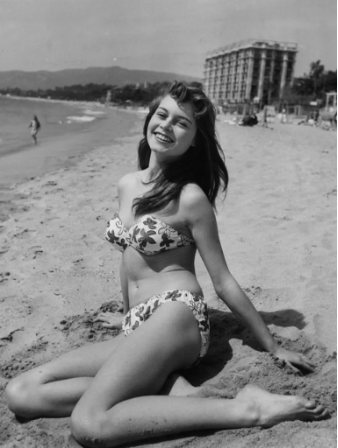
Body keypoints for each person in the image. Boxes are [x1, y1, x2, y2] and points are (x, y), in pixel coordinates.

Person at [5, 82, 329, 448]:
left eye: (181, 123)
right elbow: (129, 260)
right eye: (162, 115)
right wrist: (127, 317)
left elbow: (222, 281)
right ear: (149, 118)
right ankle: (166, 386)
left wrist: (272, 345)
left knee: (89, 424)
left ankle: (247, 408)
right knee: (22, 392)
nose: (166, 125)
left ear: (194, 140)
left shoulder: (190, 198)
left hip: (178, 316)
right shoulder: (127, 184)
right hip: (141, 325)